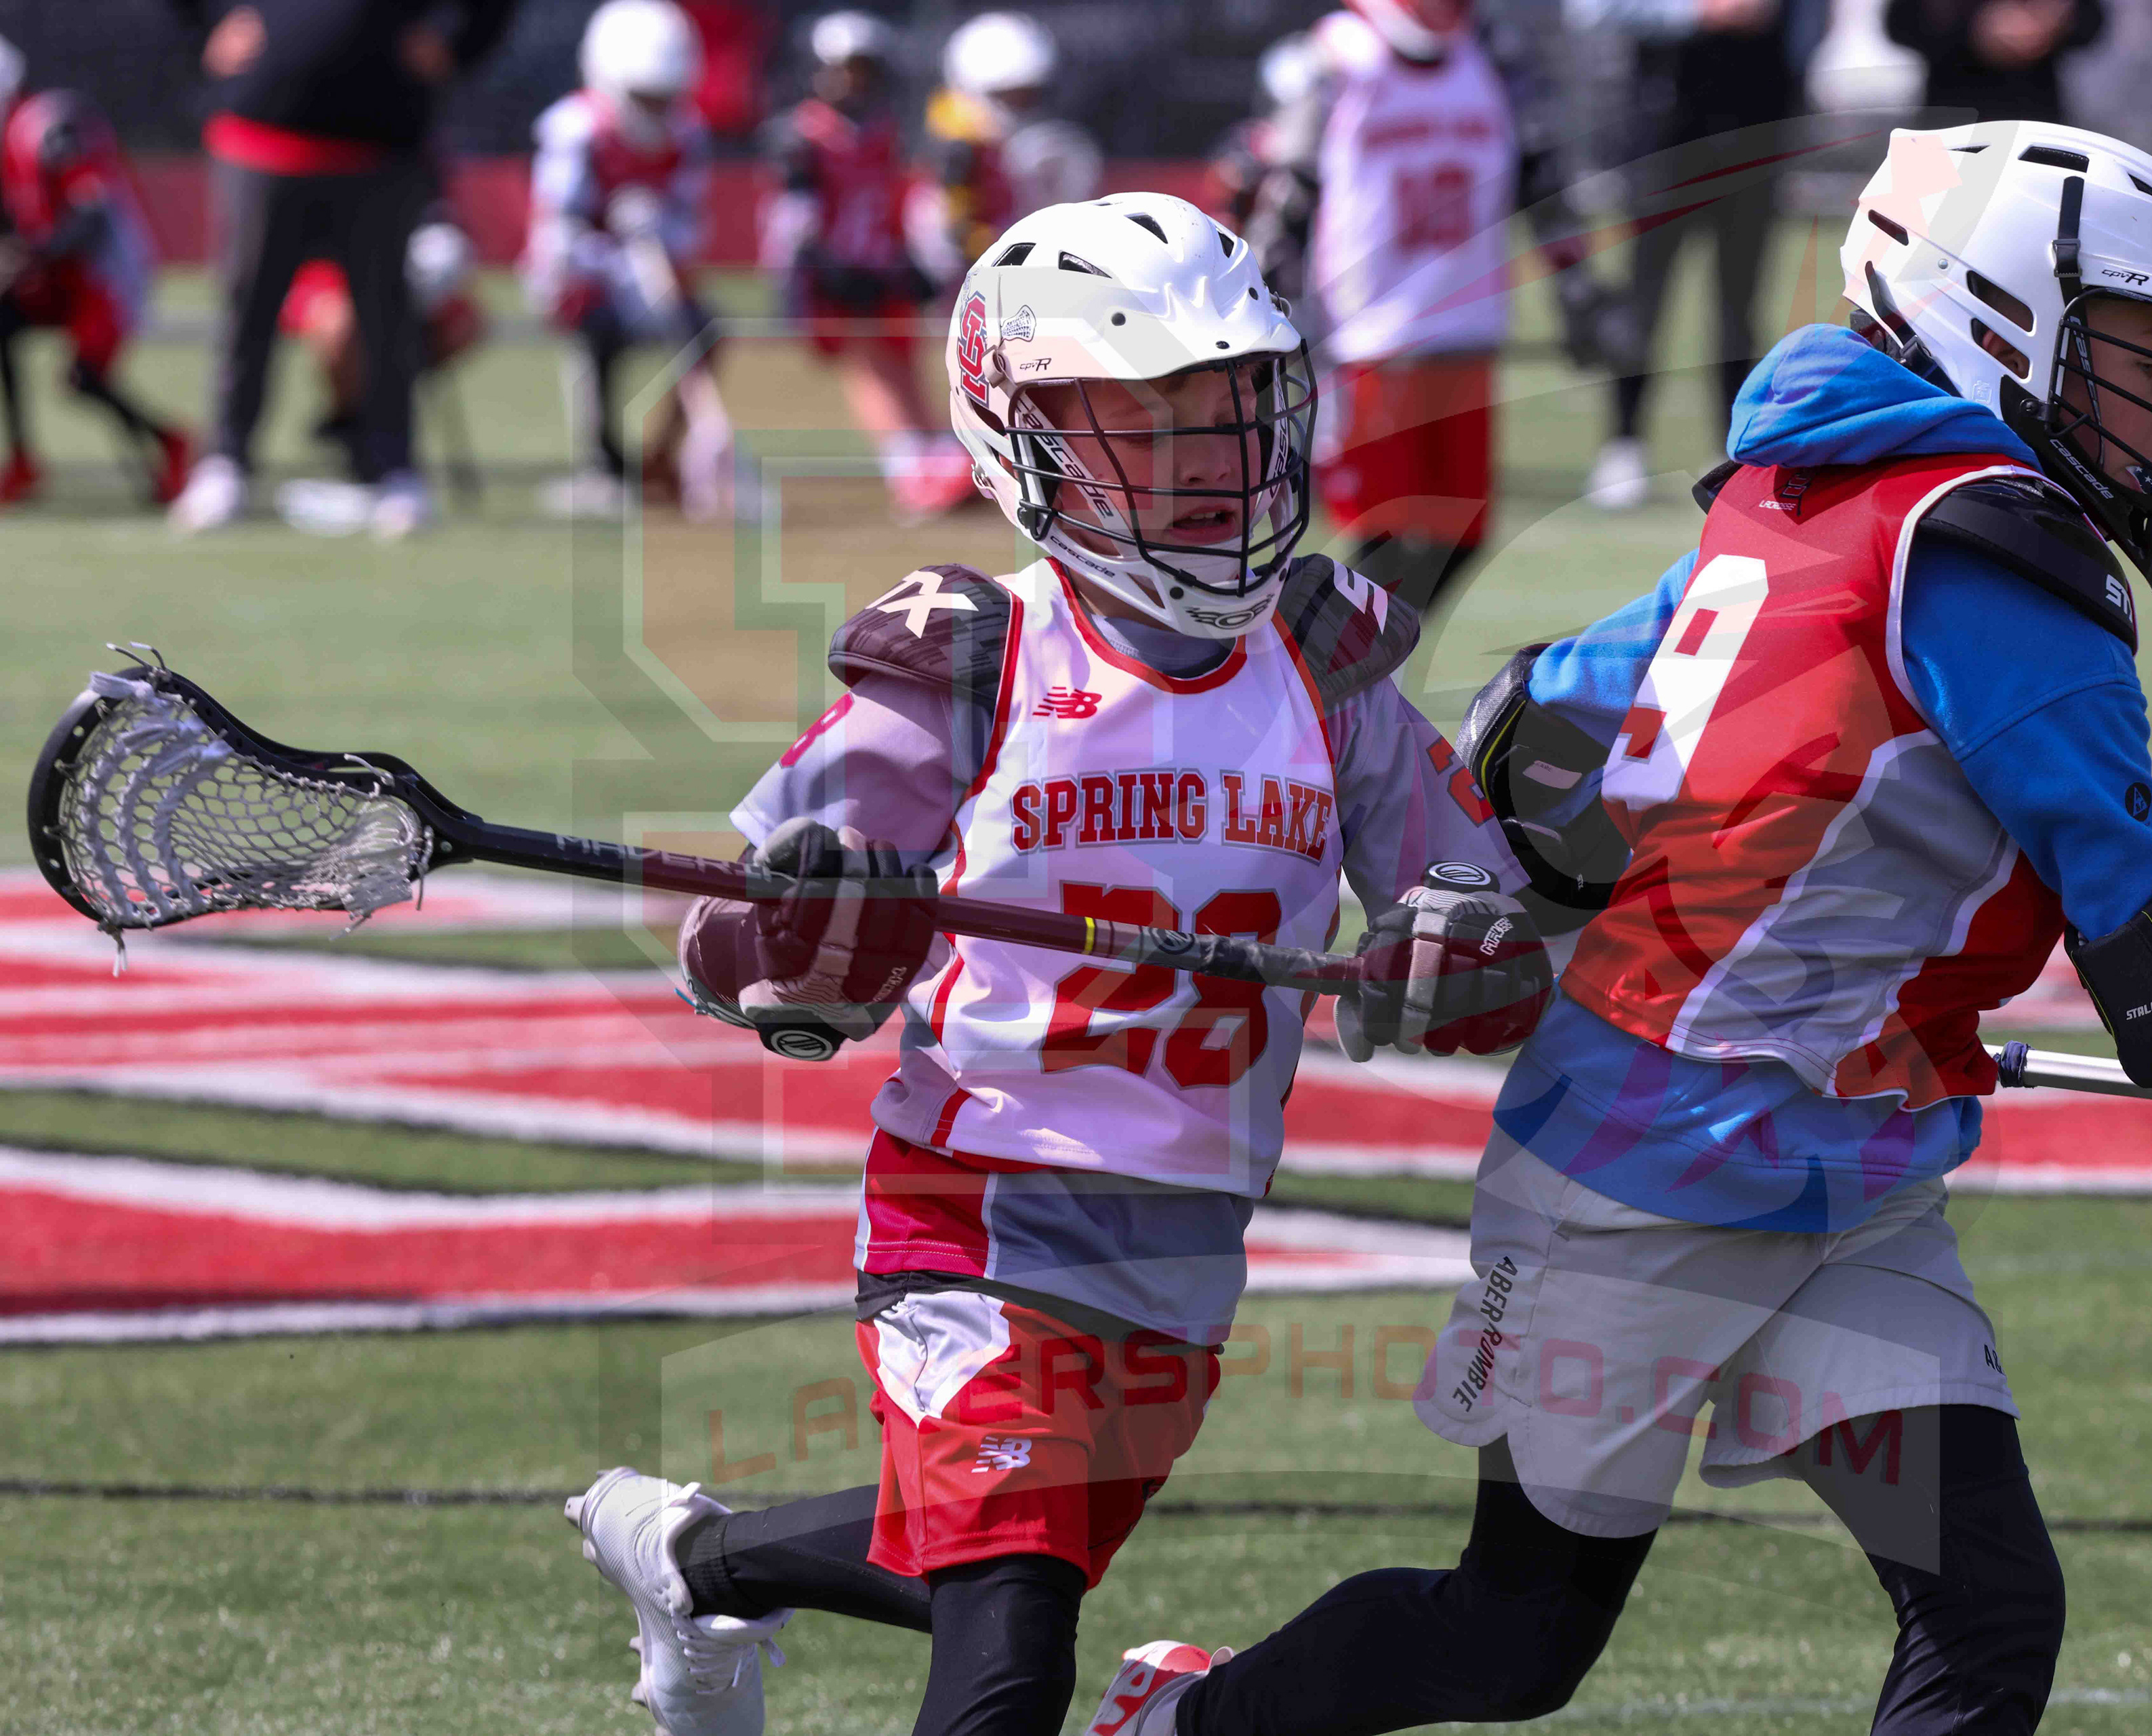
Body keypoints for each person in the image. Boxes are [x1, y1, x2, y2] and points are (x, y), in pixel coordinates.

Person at [1084, 122, 2152, 1736]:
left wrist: (1522, 905)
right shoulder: (1992, 560)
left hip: (1837, 1170)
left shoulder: (1803, 486)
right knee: (1511, 1637)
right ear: (1999, 319)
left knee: (1983, 1608)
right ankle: (1179, 1724)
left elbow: (1532, 733)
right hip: (1644, 1180)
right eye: (2140, 357)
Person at [559, 191, 1556, 1736]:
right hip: (980, 1202)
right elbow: (732, 940)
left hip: (1189, 1234)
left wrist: (1456, 944)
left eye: (1230, 411)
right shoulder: (970, 656)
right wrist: (812, 939)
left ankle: (693, 1559)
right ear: (1025, 436)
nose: (1210, 461)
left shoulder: (1323, 654)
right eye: (1147, 422)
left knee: (989, 1559)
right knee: (1008, 1643)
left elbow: (1468, 887)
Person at [163, 0, 518, 538]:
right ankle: (226, 464)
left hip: (379, 144)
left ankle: (393, 470)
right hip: (263, 132)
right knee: (247, 310)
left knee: (385, 315)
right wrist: (208, 25)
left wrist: (457, 46)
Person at [1243, 0, 1521, 615]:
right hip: (1369, 330)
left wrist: (1582, 290)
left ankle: (1367, 650)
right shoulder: (1340, 52)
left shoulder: (1491, 50)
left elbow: (1542, 168)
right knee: (1381, 529)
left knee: (1463, 532)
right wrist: (1267, 295)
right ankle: (1332, 656)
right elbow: (1287, 185)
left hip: (1468, 323)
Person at [1570, 0, 1825, 514]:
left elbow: (1812, 22)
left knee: (1739, 305)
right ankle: (1623, 442)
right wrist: (1698, 14)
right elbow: (1594, 11)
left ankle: (1734, 451)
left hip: (1756, 125)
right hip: (1667, 132)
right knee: (1645, 300)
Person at [525, 0, 736, 521]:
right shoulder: (576, 130)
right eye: (646, 96)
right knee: (597, 331)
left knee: (705, 328)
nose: (656, 108)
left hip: (652, 275)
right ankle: (602, 463)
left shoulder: (686, 133)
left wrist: (659, 230)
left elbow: (690, 221)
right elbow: (557, 233)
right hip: (581, 280)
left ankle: (664, 456)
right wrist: (614, 254)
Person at [760, 11, 970, 523]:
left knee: (903, 358)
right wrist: (809, 270)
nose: (854, 83)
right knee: (867, 360)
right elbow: (793, 222)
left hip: (882, 270)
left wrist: (918, 261)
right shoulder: (802, 138)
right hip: (832, 276)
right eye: (846, 70)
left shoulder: (884, 135)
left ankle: (942, 455)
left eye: (864, 71)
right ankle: (908, 466)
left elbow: (903, 200)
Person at [0, 35, 191, 509]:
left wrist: (29, 255)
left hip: (104, 277)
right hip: (58, 277)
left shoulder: (51, 124)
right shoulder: (10, 138)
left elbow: (90, 213)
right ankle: (22, 460)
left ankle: (170, 444)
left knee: (84, 378)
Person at [278, 211, 485, 483]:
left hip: (399, 290)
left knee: (462, 325)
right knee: (340, 328)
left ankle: (389, 405)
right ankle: (352, 425)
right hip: (336, 281)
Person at [914, 11, 1102, 280]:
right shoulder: (953, 153)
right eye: (1010, 95)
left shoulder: (1057, 152)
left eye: (1029, 94)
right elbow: (940, 249)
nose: (1022, 106)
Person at [1885, 0, 2105, 129]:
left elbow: (2092, 21)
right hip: (1952, 124)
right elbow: (1900, 23)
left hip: (2036, 121)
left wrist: (2057, 24)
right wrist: (1973, 31)